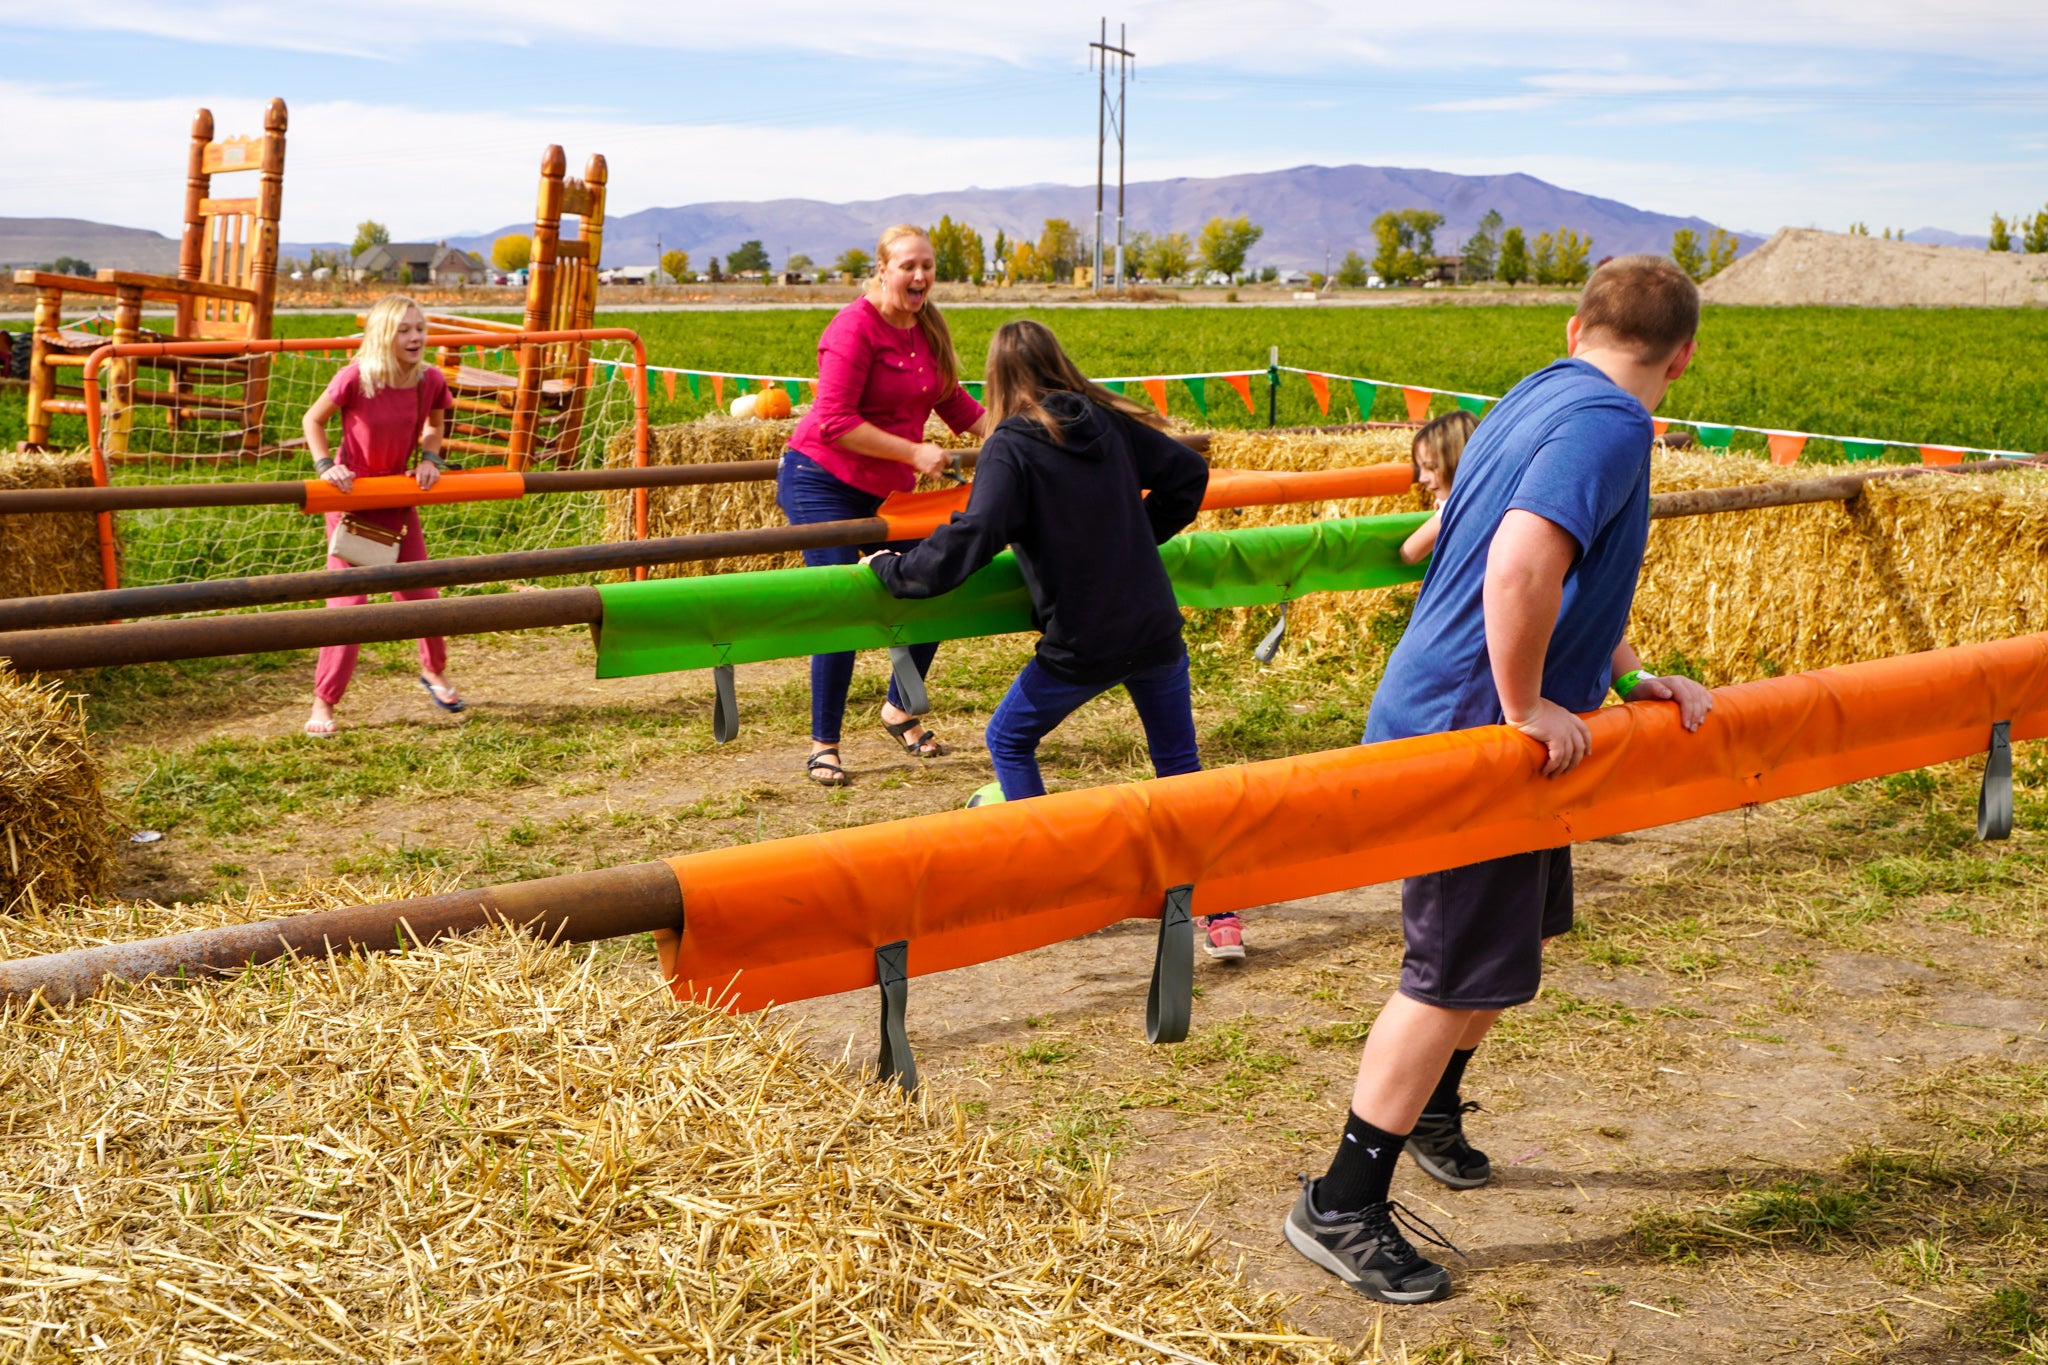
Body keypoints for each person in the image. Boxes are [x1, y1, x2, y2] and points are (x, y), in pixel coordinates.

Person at [1284, 256, 1716, 1303]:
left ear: (1576, 327)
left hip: (1488, 722)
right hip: (1475, 734)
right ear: (1685, 355)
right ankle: (1337, 1202)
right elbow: (1516, 563)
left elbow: (1468, 538)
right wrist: (1523, 704)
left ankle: (1428, 1112)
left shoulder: (1536, 393)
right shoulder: (1612, 425)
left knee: (1498, 955)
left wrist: (1624, 672)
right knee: (1442, 978)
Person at [865, 321, 1245, 961]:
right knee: (1179, 768)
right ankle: (1223, 916)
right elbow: (1187, 473)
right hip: (1153, 626)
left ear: (996, 379)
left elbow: (974, 535)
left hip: (1083, 638)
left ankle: (1054, 884)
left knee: (1008, 738)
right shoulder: (1104, 421)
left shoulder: (1012, 444)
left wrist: (892, 570)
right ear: (1057, 364)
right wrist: (1134, 539)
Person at [779, 224, 992, 786]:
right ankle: (824, 744)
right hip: (822, 480)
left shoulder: (927, 331)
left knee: (937, 579)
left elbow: (959, 407)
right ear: (881, 270)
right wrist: (915, 451)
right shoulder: (853, 328)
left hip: (889, 493)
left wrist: (1024, 435)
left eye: (927, 266)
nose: (920, 276)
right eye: (908, 266)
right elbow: (836, 422)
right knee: (844, 603)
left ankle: (900, 709)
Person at [301, 295, 460, 737]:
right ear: (382, 335)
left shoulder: (429, 378)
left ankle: (434, 673)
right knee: (351, 606)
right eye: (404, 330)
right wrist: (325, 466)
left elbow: (435, 422)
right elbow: (312, 421)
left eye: (420, 328)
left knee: (422, 597)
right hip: (353, 498)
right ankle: (324, 701)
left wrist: (431, 458)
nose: (415, 337)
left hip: (398, 494)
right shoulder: (357, 376)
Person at [1398, 409, 1478, 565]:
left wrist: (1445, 509)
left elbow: (1409, 553)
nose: (1422, 478)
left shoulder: (1457, 505)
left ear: (1458, 463)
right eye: (1419, 469)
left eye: (1431, 467)